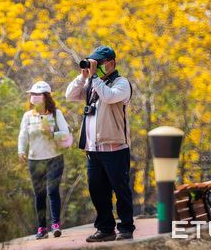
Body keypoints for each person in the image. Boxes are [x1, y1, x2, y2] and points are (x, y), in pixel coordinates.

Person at [65, 45, 135, 242]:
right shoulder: (92, 84)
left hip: (115, 148)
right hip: (93, 149)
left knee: (120, 190)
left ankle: (126, 228)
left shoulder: (121, 84)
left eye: (99, 63)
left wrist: (94, 78)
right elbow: (69, 95)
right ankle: (105, 229)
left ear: (111, 63)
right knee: (98, 191)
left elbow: (109, 96)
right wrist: (83, 76)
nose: (95, 66)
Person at [18, 80, 70, 240]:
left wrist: (51, 134)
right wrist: (21, 150)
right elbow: (23, 134)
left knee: (52, 191)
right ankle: (41, 228)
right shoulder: (28, 116)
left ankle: (56, 225)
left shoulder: (56, 114)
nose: (33, 97)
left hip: (54, 158)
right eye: (32, 94)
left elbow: (66, 134)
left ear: (46, 96)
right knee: (39, 194)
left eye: (37, 94)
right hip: (35, 160)